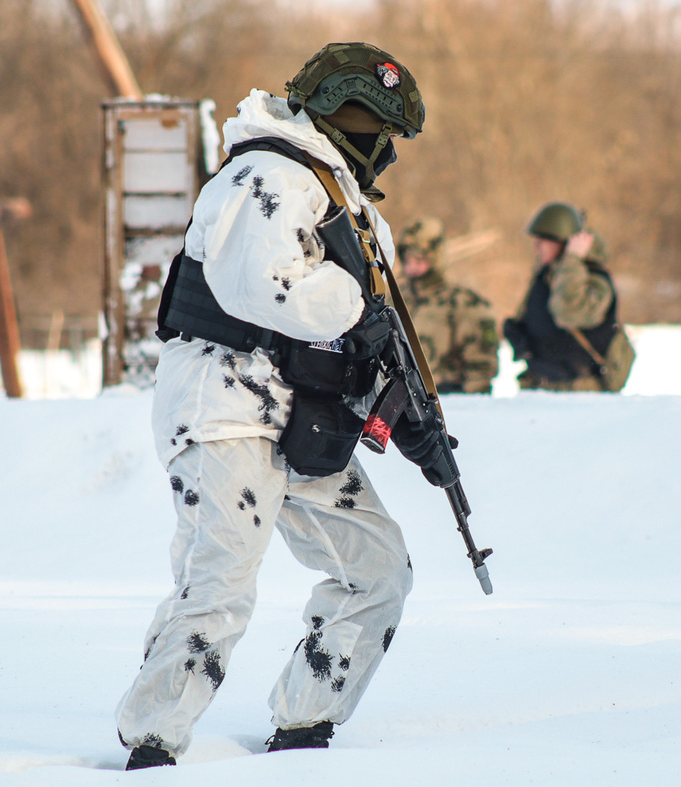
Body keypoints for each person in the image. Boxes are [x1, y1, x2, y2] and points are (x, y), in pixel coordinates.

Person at [114, 42, 443, 770]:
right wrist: (355, 304)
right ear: (346, 117)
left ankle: (304, 732)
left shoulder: (347, 206)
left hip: (306, 420)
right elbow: (260, 285)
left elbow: (373, 330)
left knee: (378, 570)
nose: (385, 150)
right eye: (379, 131)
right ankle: (152, 746)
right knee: (221, 582)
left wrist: (413, 418)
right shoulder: (264, 174)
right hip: (225, 403)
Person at [502, 202, 619, 392]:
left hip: (580, 396)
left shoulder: (594, 279)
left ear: (563, 242)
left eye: (542, 241)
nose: (536, 247)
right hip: (538, 389)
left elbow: (569, 313)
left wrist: (572, 259)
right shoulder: (547, 276)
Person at [396, 217, 498, 394]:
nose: (411, 267)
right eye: (407, 260)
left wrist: (469, 403)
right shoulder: (394, 300)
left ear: (435, 257)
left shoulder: (463, 303)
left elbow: (481, 364)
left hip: (447, 398)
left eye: (419, 260)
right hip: (398, 401)